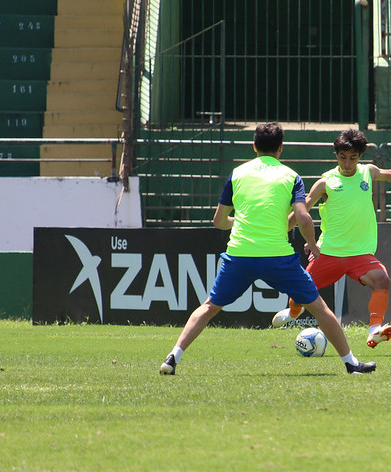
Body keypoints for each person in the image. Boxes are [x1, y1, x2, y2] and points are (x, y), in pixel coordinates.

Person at [159, 123, 376, 376]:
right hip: (277, 257)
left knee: (209, 307)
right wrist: (314, 246)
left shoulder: (237, 173)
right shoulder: (291, 176)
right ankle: (351, 364)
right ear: (281, 148)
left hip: (240, 255)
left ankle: (173, 357)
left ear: (254, 146)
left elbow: (219, 221)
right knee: (319, 308)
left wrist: (239, 223)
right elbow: (304, 218)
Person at [271, 128, 391, 348]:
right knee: (301, 293)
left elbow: (390, 174)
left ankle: (374, 329)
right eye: (343, 157)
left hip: (359, 252)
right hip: (329, 251)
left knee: (382, 279)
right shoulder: (326, 182)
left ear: (359, 157)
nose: (348, 163)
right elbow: (303, 210)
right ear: (336, 155)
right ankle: (293, 310)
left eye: (353, 158)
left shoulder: (368, 172)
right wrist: (278, 231)